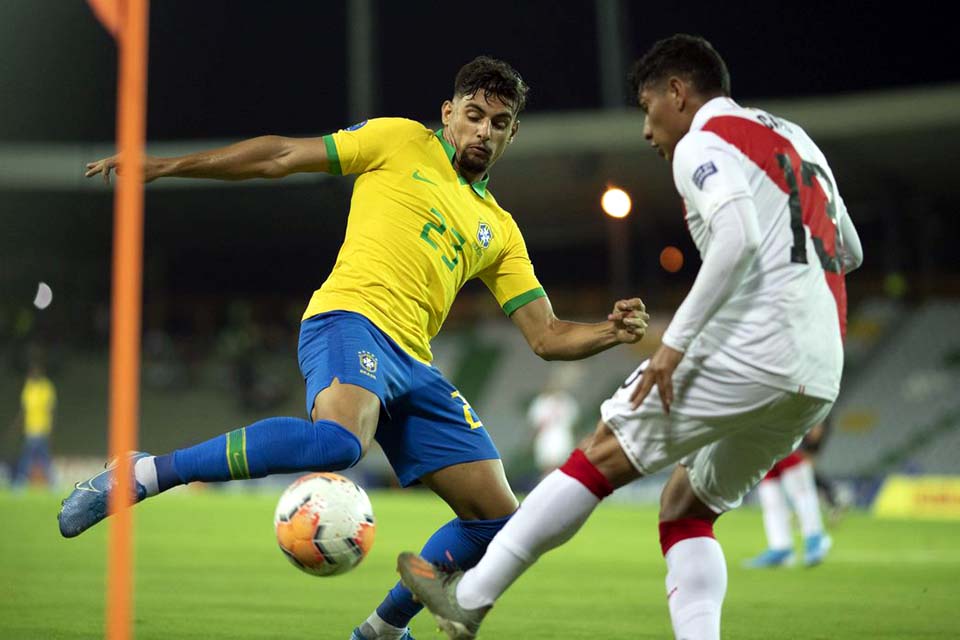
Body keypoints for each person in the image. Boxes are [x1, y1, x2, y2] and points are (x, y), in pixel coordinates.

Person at [58, 56, 649, 640]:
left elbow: (546, 337)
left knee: (497, 519)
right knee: (340, 443)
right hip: (349, 320)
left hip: (414, 363)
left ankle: (381, 631)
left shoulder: (500, 228)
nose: (483, 131)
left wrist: (610, 331)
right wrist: (167, 166)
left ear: (512, 132)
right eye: (473, 115)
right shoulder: (398, 141)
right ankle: (145, 473)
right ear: (448, 113)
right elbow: (283, 155)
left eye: (499, 123)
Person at [397, 34, 863, 640]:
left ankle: (470, 600)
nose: (647, 131)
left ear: (677, 92)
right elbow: (847, 249)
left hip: (753, 344)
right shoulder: (795, 140)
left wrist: (675, 344)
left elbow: (740, 236)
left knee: (600, 455)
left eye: (647, 108)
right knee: (685, 509)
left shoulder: (705, 138)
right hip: (819, 365)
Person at [744, 419, 833, 568]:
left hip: (786, 435)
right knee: (770, 498)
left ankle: (815, 539)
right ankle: (780, 547)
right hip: (765, 442)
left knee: (800, 490)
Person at [527, 363, 582, 479]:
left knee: (559, 466)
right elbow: (536, 423)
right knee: (548, 465)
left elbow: (571, 423)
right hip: (546, 437)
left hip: (561, 436)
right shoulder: (542, 402)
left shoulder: (567, 402)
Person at [12, 362, 57, 488]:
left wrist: (51, 427)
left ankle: (20, 482)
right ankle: (53, 483)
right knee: (40, 456)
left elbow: (50, 408)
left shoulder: (46, 387)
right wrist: (17, 425)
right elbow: (24, 409)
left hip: (42, 428)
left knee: (30, 456)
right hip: (30, 428)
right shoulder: (29, 386)